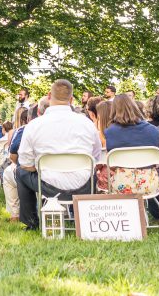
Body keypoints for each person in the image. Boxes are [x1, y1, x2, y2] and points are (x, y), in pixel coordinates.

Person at [15, 80, 102, 230]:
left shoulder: (34, 125)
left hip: (48, 185)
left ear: (49, 96)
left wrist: (41, 167)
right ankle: (84, 218)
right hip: (84, 184)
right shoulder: (87, 124)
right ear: (71, 99)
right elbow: (95, 157)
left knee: (20, 171)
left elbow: (25, 163)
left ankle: (31, 222)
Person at [102, 94, 159, 196]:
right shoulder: (153, 130)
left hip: (122, 183)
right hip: (149, 182)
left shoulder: (110, 132)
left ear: (114, 110)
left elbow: (111, 164)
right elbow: (157, 163)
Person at [2, 108, 31, 220]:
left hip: (34, 174)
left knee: (7, 172)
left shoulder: (23, 130)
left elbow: (13, 156)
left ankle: (15, 214)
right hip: (68, 175)